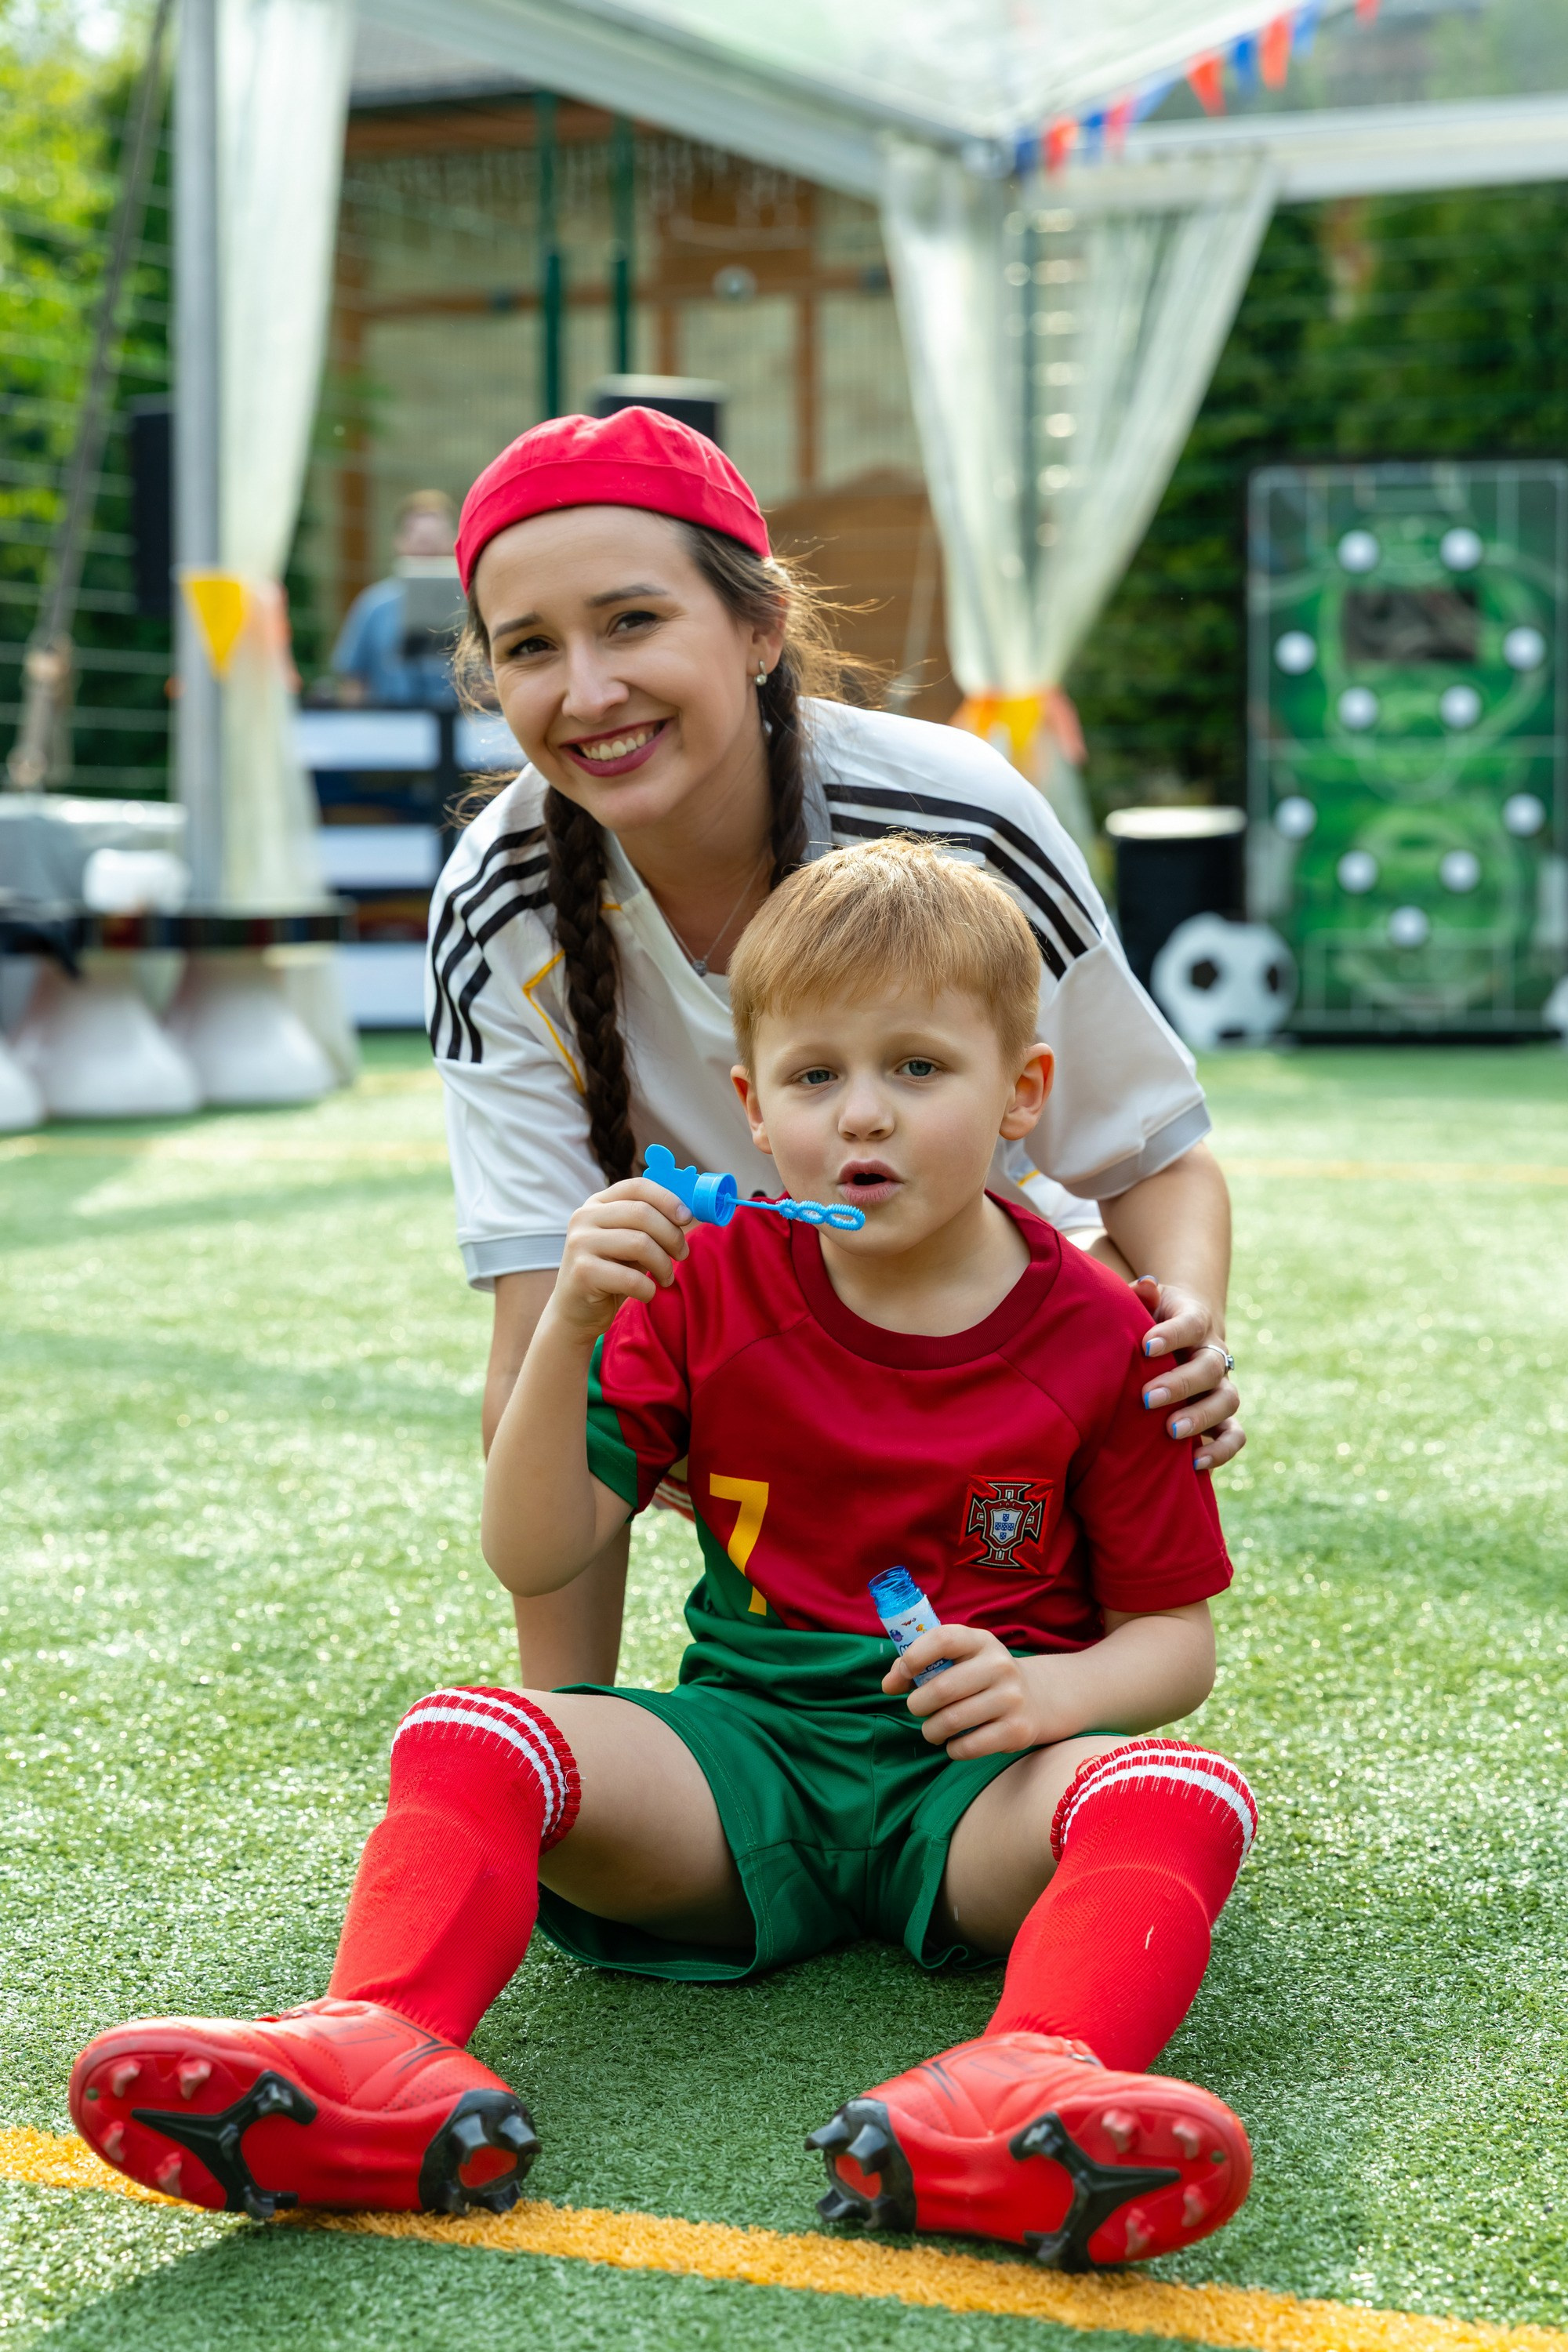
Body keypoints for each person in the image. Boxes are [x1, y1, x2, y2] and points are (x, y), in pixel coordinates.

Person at [70, 840, 1255, 2270]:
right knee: (473, 1732)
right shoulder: (706, 1283)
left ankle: (1036, 2082)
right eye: (815, 1078)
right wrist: (571, 1321)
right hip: (738, 1769)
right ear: (754, 1107)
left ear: (1024, 1095)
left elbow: (1173, 1647)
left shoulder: (1110, 1334)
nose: (861, 1116)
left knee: (1178, 1790)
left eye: (919, 1070)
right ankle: (369, 2046)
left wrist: (1052, 1700)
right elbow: (532, 1546)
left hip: (980, 1796)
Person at [426, 405, 1243, 1692]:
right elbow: (545, 1336)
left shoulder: (956, 810)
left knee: (1008, 1743)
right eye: (532, 648)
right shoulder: (498, 901)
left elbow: (1151, 1154)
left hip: (1000, 1355)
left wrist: (1180, 1327)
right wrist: (568, 1733)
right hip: (741, 1358)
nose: (588, 690)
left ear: (760, 630)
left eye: (633, 622)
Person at [330, 489, 462, 710]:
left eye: (436, 539)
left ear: (453, 541)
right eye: (420, 539)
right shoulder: (374, 605)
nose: (427, 548)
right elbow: (353, 681)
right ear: (399, 542)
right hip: (391, 730)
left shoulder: (472, 602)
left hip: (460, 729)